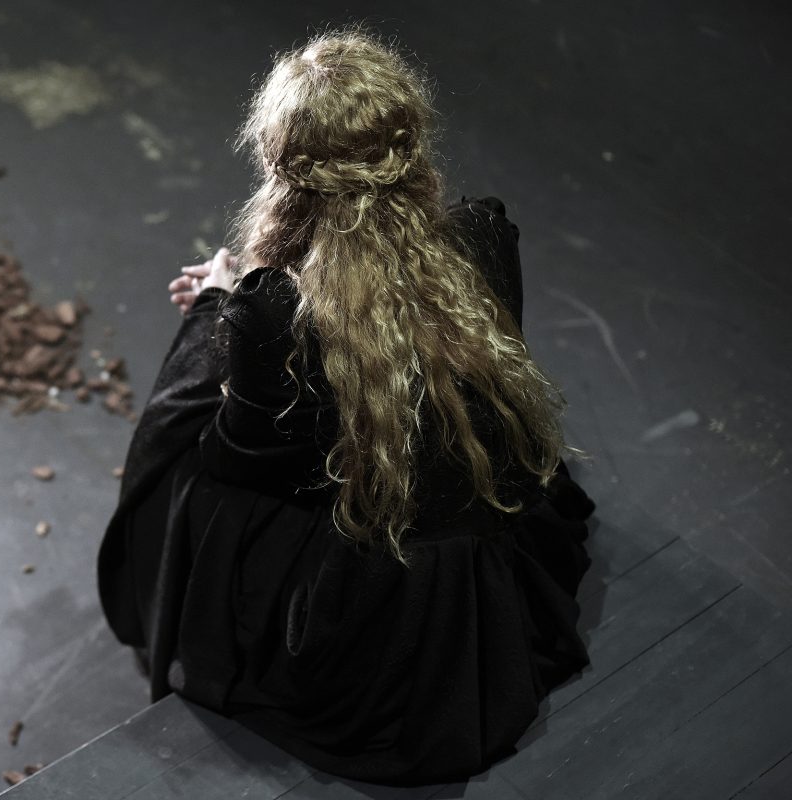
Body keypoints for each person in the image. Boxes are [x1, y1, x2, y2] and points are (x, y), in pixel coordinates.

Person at [97, 26, 596, 787]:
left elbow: (241, 461)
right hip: (478, 569)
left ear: (282, 172)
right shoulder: (483, 239)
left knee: (183, 442)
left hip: (367, 612)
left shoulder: (277, 315)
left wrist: (215, 316)